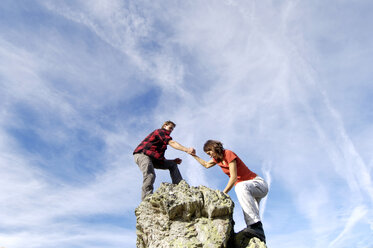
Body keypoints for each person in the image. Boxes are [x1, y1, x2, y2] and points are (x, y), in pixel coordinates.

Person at [191, 140, 268, 243]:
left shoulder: (228, 153)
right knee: (251, 211)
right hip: (248, 189)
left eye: (209, 153)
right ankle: (260, 236)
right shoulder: (217, 160)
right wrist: (194, 155)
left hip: (257, 184)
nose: (209, 156)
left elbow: (234, 177)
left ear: (213, 148)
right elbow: (206, 164)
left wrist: (223, 193)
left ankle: (254, 227)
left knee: (240, 187)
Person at [133, 121, 195, 200]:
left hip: (153, 159)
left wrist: (173, 160)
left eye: (172, 129)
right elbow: (172, 142)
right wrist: (186, 149)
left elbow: (159, 157)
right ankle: (146, 199)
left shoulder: (162, 143)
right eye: (170, 128)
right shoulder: (160, 131)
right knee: (150, 175)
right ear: (165, 125)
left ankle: (179, 186)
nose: (171, 130)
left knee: (172, 164)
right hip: (142, 155)